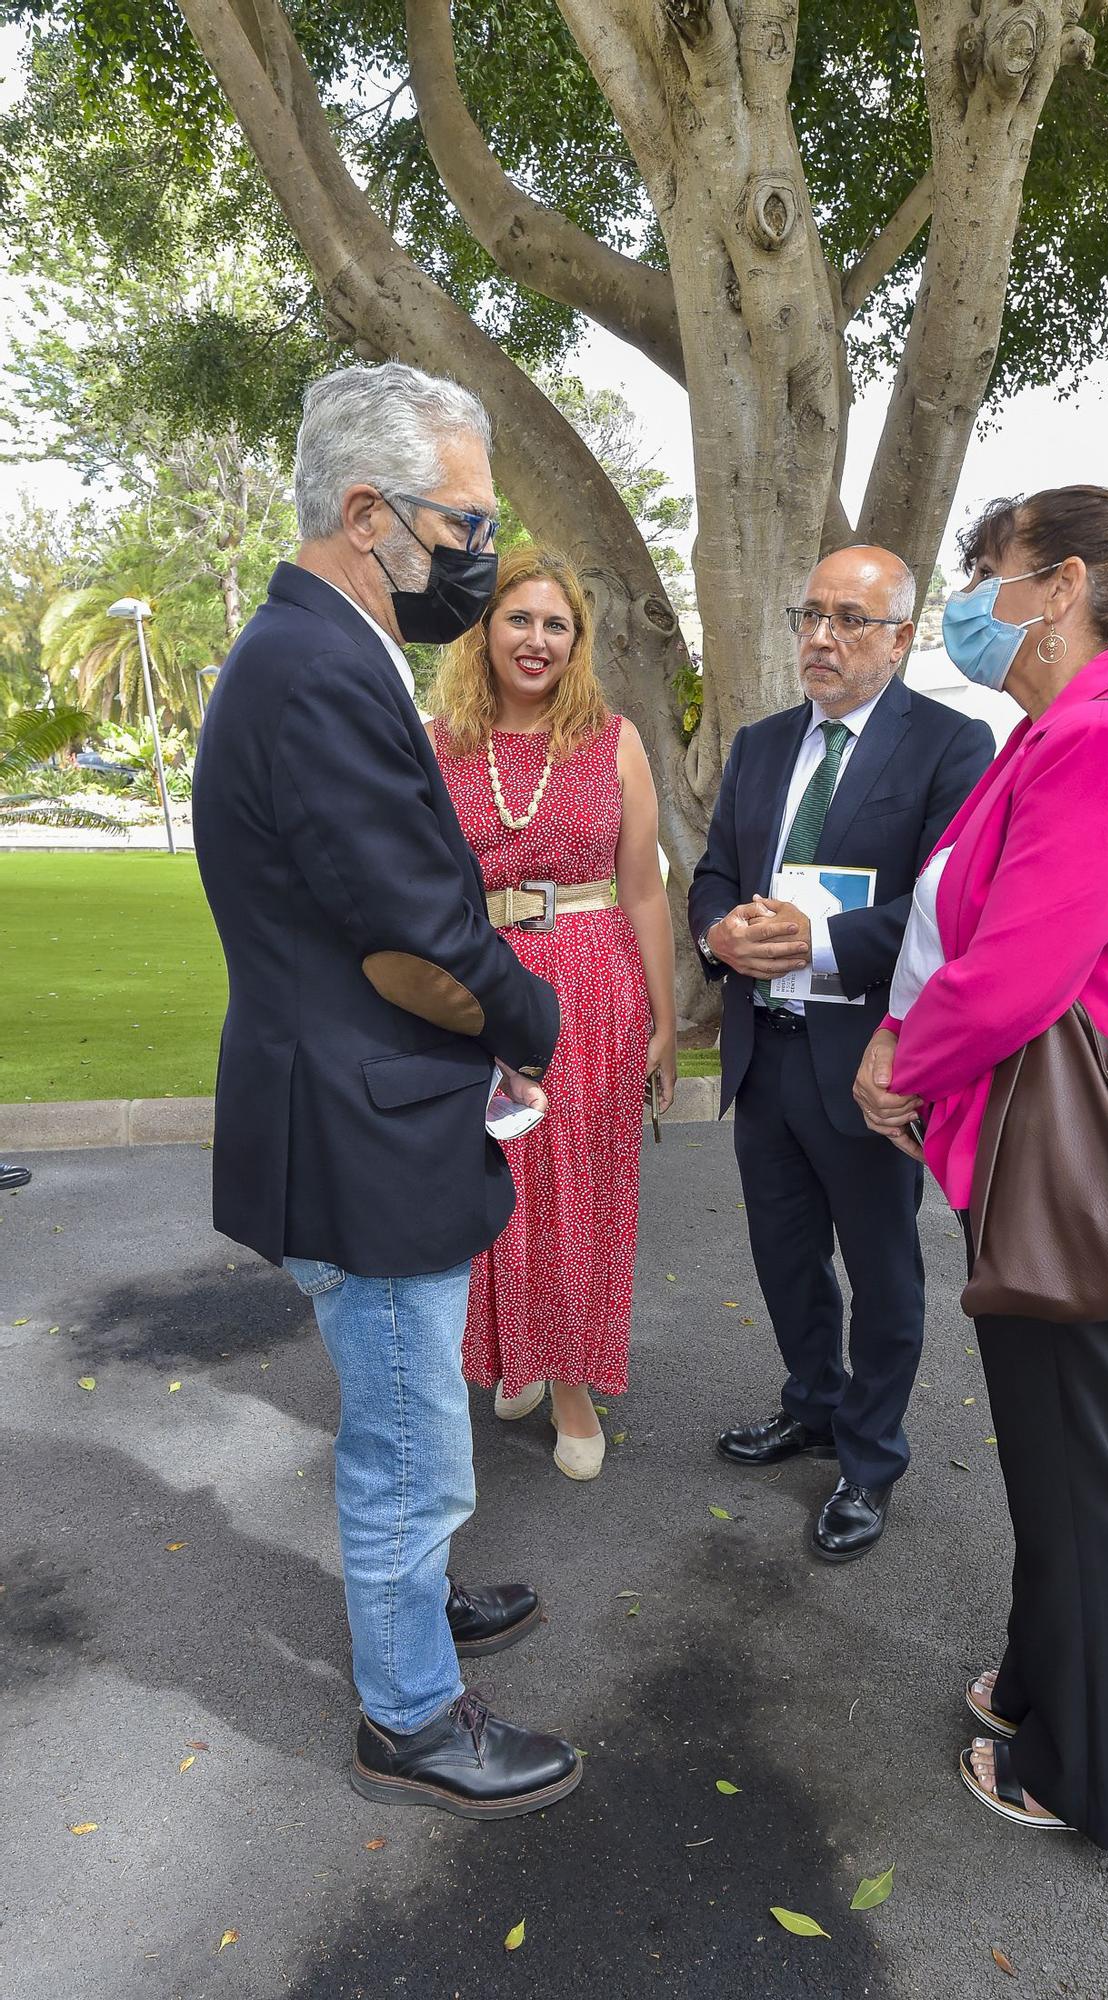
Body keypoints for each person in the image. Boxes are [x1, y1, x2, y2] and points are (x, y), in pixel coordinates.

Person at [192, 362, 582, 1821]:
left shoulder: (321, 652)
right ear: (371, 516)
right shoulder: (316, 669)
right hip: (360, 1124)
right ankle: (409, 1713)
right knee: (410, 1444)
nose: (479, 555)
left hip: (359, 1105)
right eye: (463, 523)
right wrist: (532, 1018)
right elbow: (418, 944)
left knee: (408, 1421)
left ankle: (409, 1614)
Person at [853, 486, 1108, 1849]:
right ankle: (1037, 1684)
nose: (970, 596)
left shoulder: (1087, 735)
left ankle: (1089, 1776)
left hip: (1052, 1154)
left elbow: (1017, 968)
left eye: (991, 570)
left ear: (1060, 584)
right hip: (1037, 1149)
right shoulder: (1069, 729)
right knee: (1047, 1446)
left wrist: (895, 1059)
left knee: (1071, 1464)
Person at [689, 545, 993, 1561]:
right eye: (809, 613)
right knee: (783, 1257)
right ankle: (811, 1403)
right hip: (763, 1048)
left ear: (899, 637)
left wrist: (817, 941)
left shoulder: (952, 746)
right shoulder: (761, 742)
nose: (820, 636)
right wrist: (716, 932)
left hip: (866, 1057)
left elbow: (946, 903)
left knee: (881, 1268)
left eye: (849, 619)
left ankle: (868, 1458)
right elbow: (713, 870)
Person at [431, 547, 676, 1479]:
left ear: (577, 641)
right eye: (518, 619)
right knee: (496, 1185)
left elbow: (643, 889)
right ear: (484, 630)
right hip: (475, 989)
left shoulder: (610, 738)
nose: (536, 641)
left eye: (556, 625)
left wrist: (663, 1021)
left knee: (577, 1196)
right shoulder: (436, 739)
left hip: (591, 987)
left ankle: (570, 1379)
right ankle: (511, 1353)